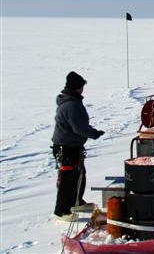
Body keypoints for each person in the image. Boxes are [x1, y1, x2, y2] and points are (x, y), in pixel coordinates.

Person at [51, 71, 104, 221]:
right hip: (66, 147)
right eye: (82, 86)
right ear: (77, 87)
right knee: (67, 178)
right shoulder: (72, 104)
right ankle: (61, 211)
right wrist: (94, 133)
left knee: (79, 174)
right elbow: (79, 127)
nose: (83, 89)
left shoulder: (71, 101)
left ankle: (76, 202)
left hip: (71, 146)